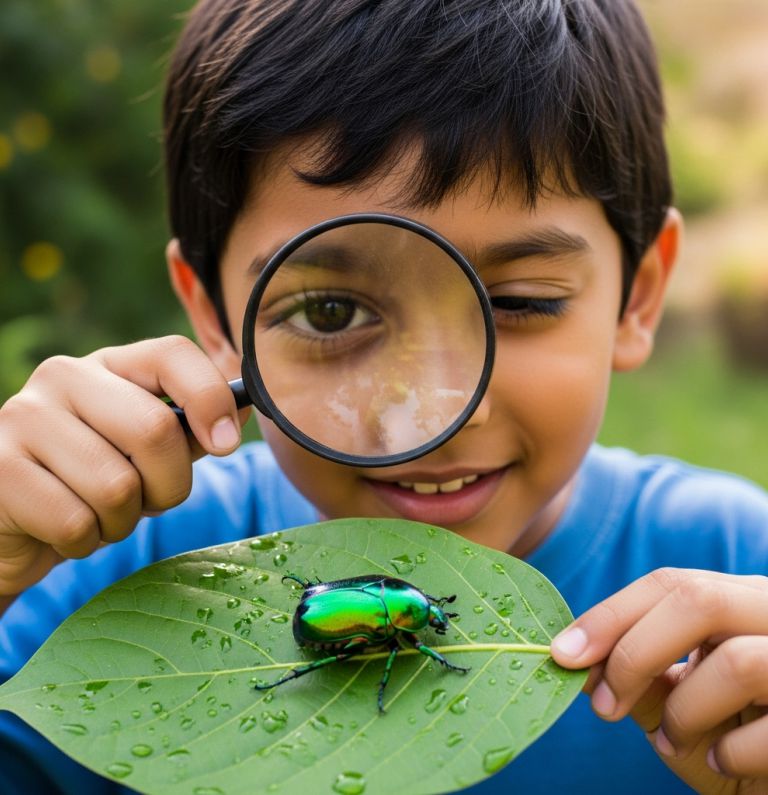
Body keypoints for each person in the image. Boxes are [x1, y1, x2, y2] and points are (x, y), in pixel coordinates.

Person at [1, 0, 767, 792]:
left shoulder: (741, 564)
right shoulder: (129, 555)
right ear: (216, 319)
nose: (431, 414)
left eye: (520, 301)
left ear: (638, 297)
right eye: (331, 313)